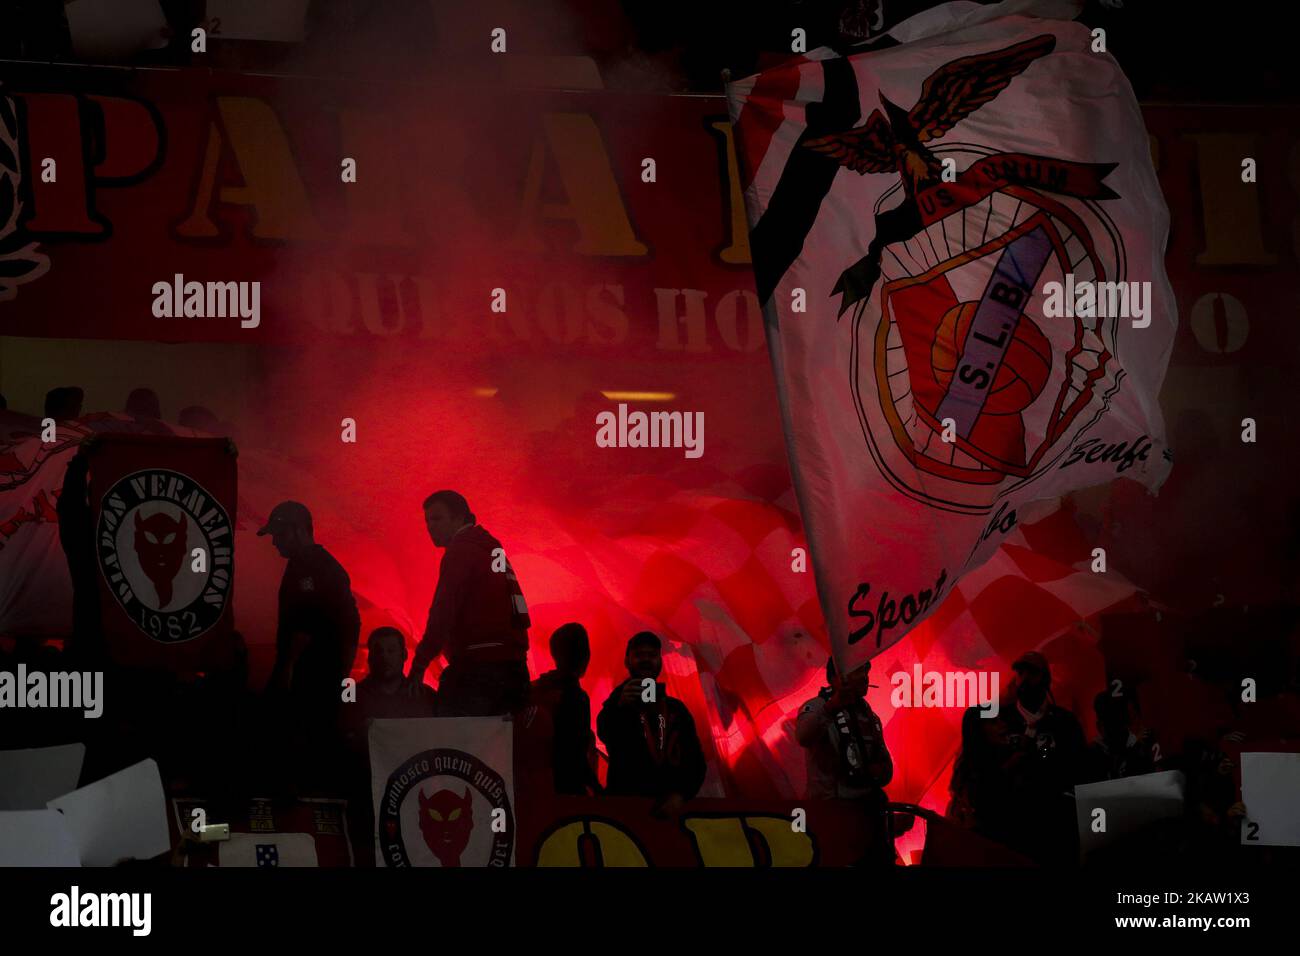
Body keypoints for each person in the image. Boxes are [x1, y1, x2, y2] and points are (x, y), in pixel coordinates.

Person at [259, 501, 361, 786]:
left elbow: (309, 625)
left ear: (299, 530)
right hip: (318, 677)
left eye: (279, 534)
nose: (275, 542)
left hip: (310, 679)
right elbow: (351, 621)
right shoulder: (312, 566)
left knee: (301, 748)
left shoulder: (313, 566)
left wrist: (288, 669)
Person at [405, 490, 531, 716]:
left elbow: (443, 612)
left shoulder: (461, 551)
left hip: (479, 671)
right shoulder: (490, 547)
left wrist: (420, 663)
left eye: (437, 518)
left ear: (459, 517)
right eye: (427, 521)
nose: (430, 527)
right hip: (514, 669)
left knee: (458, 741)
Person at [796, 657, 894, 863]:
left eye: (866, 671)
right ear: (836, 678)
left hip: (868, 813)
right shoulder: (816, 707)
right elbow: (803, 736)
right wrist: (832, 707)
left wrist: (880, 772)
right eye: (859, 671)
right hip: (832, 814)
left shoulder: (870, 716)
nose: (866, 677)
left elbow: (885, 767)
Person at [596, 631, 705, 815]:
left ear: (660, 661)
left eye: (652, 655)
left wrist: (680, 795)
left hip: (668, 812)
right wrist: (619, 706)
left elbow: (695, 761)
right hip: (625, 810)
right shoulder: (616, 705)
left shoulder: (676, 710)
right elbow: (604, 734)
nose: (646, 660)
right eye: (639, 655)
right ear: (627, 661)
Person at [1000, 650, 1087, 865]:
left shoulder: (1065, 722)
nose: (1025, 679)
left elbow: (1079, 770)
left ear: (1046, 679)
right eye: (1020, 673)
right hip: (1012, 826)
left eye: (1032, 673)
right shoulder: (1000, 721)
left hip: (1054, 826)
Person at [532, 623, 602, 795]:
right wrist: (599, 790)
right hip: (565, 790)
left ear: (554, 654)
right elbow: (575, 757)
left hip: (535, 786)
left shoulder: (532, 690)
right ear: (586, 656)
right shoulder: (577, 697)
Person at [1085, 686, 1161, 782]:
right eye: (1118, 722)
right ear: (1101, 727)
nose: (1128, 727)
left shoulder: (1143, 745)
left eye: (1133, 717)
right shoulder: (1092, 756)